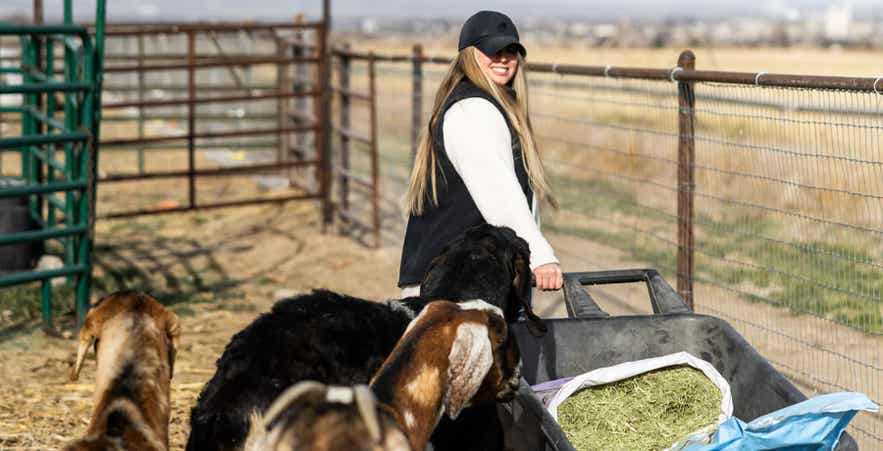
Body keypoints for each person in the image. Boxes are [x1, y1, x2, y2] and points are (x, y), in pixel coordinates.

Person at [398, 10, 563, 298]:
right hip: (449, 291)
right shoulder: (473, 111)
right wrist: (539, 254)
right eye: (492, 50)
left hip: (459, 280)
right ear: (469, 55)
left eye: (510, 50)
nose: (503, 58)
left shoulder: (485, 106)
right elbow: (499, 193)